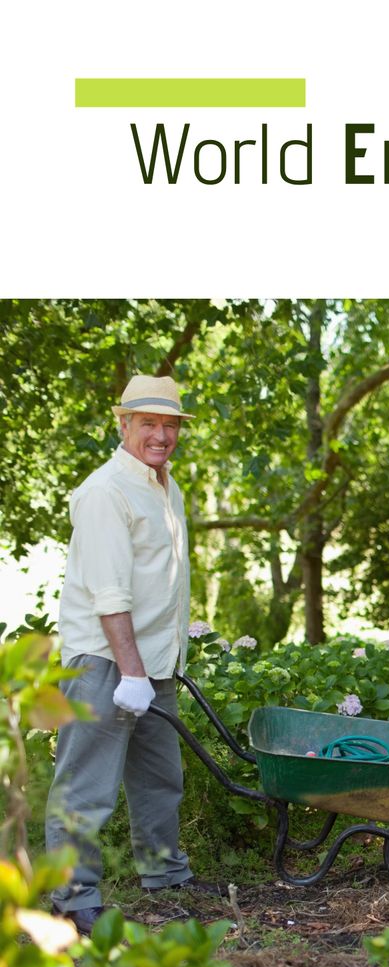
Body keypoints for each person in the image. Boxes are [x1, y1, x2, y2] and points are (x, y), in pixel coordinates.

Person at [46, 374, 219, 936]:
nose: (161, 434)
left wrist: (156, 668)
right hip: (105, 662)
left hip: (153, 664)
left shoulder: (165, 487)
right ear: (123, 424)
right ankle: (71, 899)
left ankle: (164, 873)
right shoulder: (106, 492)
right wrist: (131, 672)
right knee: (86, 785)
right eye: (149, 423)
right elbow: (109, 594)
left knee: (159, 778)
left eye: (170, 424)